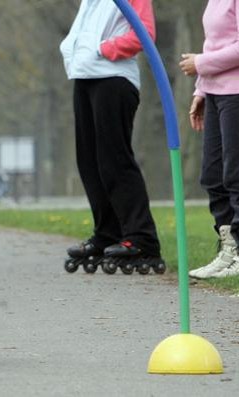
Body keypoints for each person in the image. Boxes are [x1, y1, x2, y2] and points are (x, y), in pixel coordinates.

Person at [58, 0, 166, 275]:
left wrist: (103, 49)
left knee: (114, 159)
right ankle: (107, 233)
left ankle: (142, 238)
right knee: (89, 162)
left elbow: (144, 33)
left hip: (113, 78)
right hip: (84, 76)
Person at [181, 0, 239, 279]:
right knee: (212, 176)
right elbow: (215, 43)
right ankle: (228, 252)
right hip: (216, 92)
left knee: (236, 173)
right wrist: (201, 90)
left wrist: (200, 63)